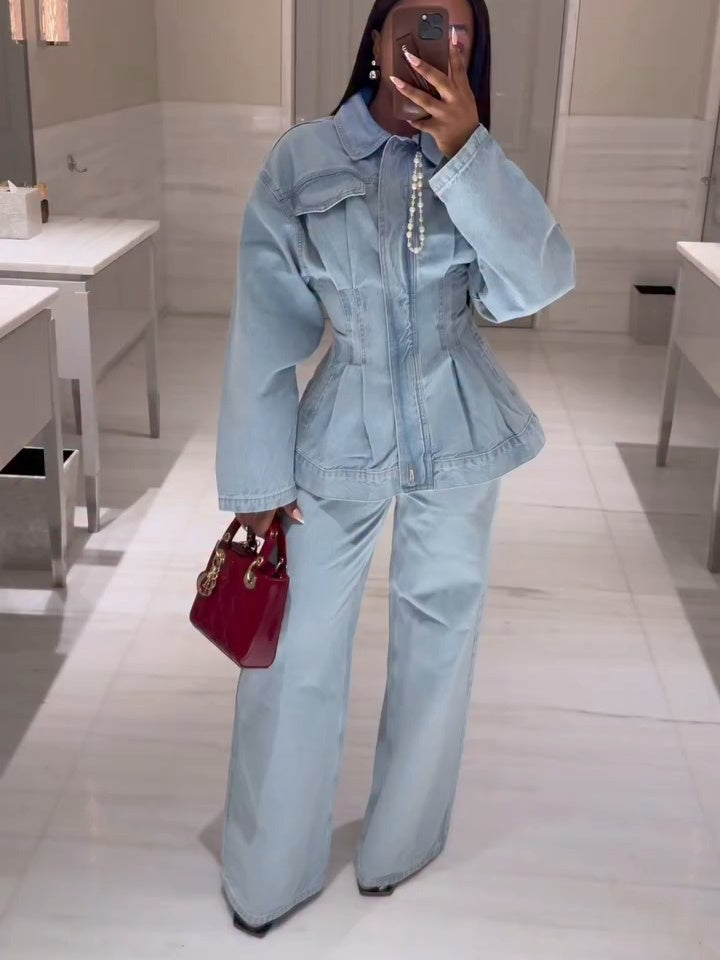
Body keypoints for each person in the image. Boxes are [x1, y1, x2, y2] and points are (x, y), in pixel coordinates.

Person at [216, 0, 575, 936]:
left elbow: (537, 285)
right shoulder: (303, 161)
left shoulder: (475, 160)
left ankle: (402, 843)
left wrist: (467, 157)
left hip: (459, 429)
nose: (435, 46)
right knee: (294, 652)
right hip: (340, 432)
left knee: (440, 639)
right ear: (376, 40)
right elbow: (264, 332)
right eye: (418, 24)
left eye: (458, 34)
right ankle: (268, 872)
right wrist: (260, 487)